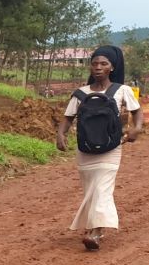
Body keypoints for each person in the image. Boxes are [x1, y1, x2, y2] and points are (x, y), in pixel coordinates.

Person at [56, 45, 143, 251]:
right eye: (94, 63)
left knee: (102, 188)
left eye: (103, 64)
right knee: (91, 189)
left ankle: (95, 233)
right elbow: (67, 118)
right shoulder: (80, 94)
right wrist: (60, 134)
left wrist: (136, 129)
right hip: (85, 150)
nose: (98, 67)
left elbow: (137, 112)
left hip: (111, 149)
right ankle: (98, 226)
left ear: (112, 67)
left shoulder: (123, 91)